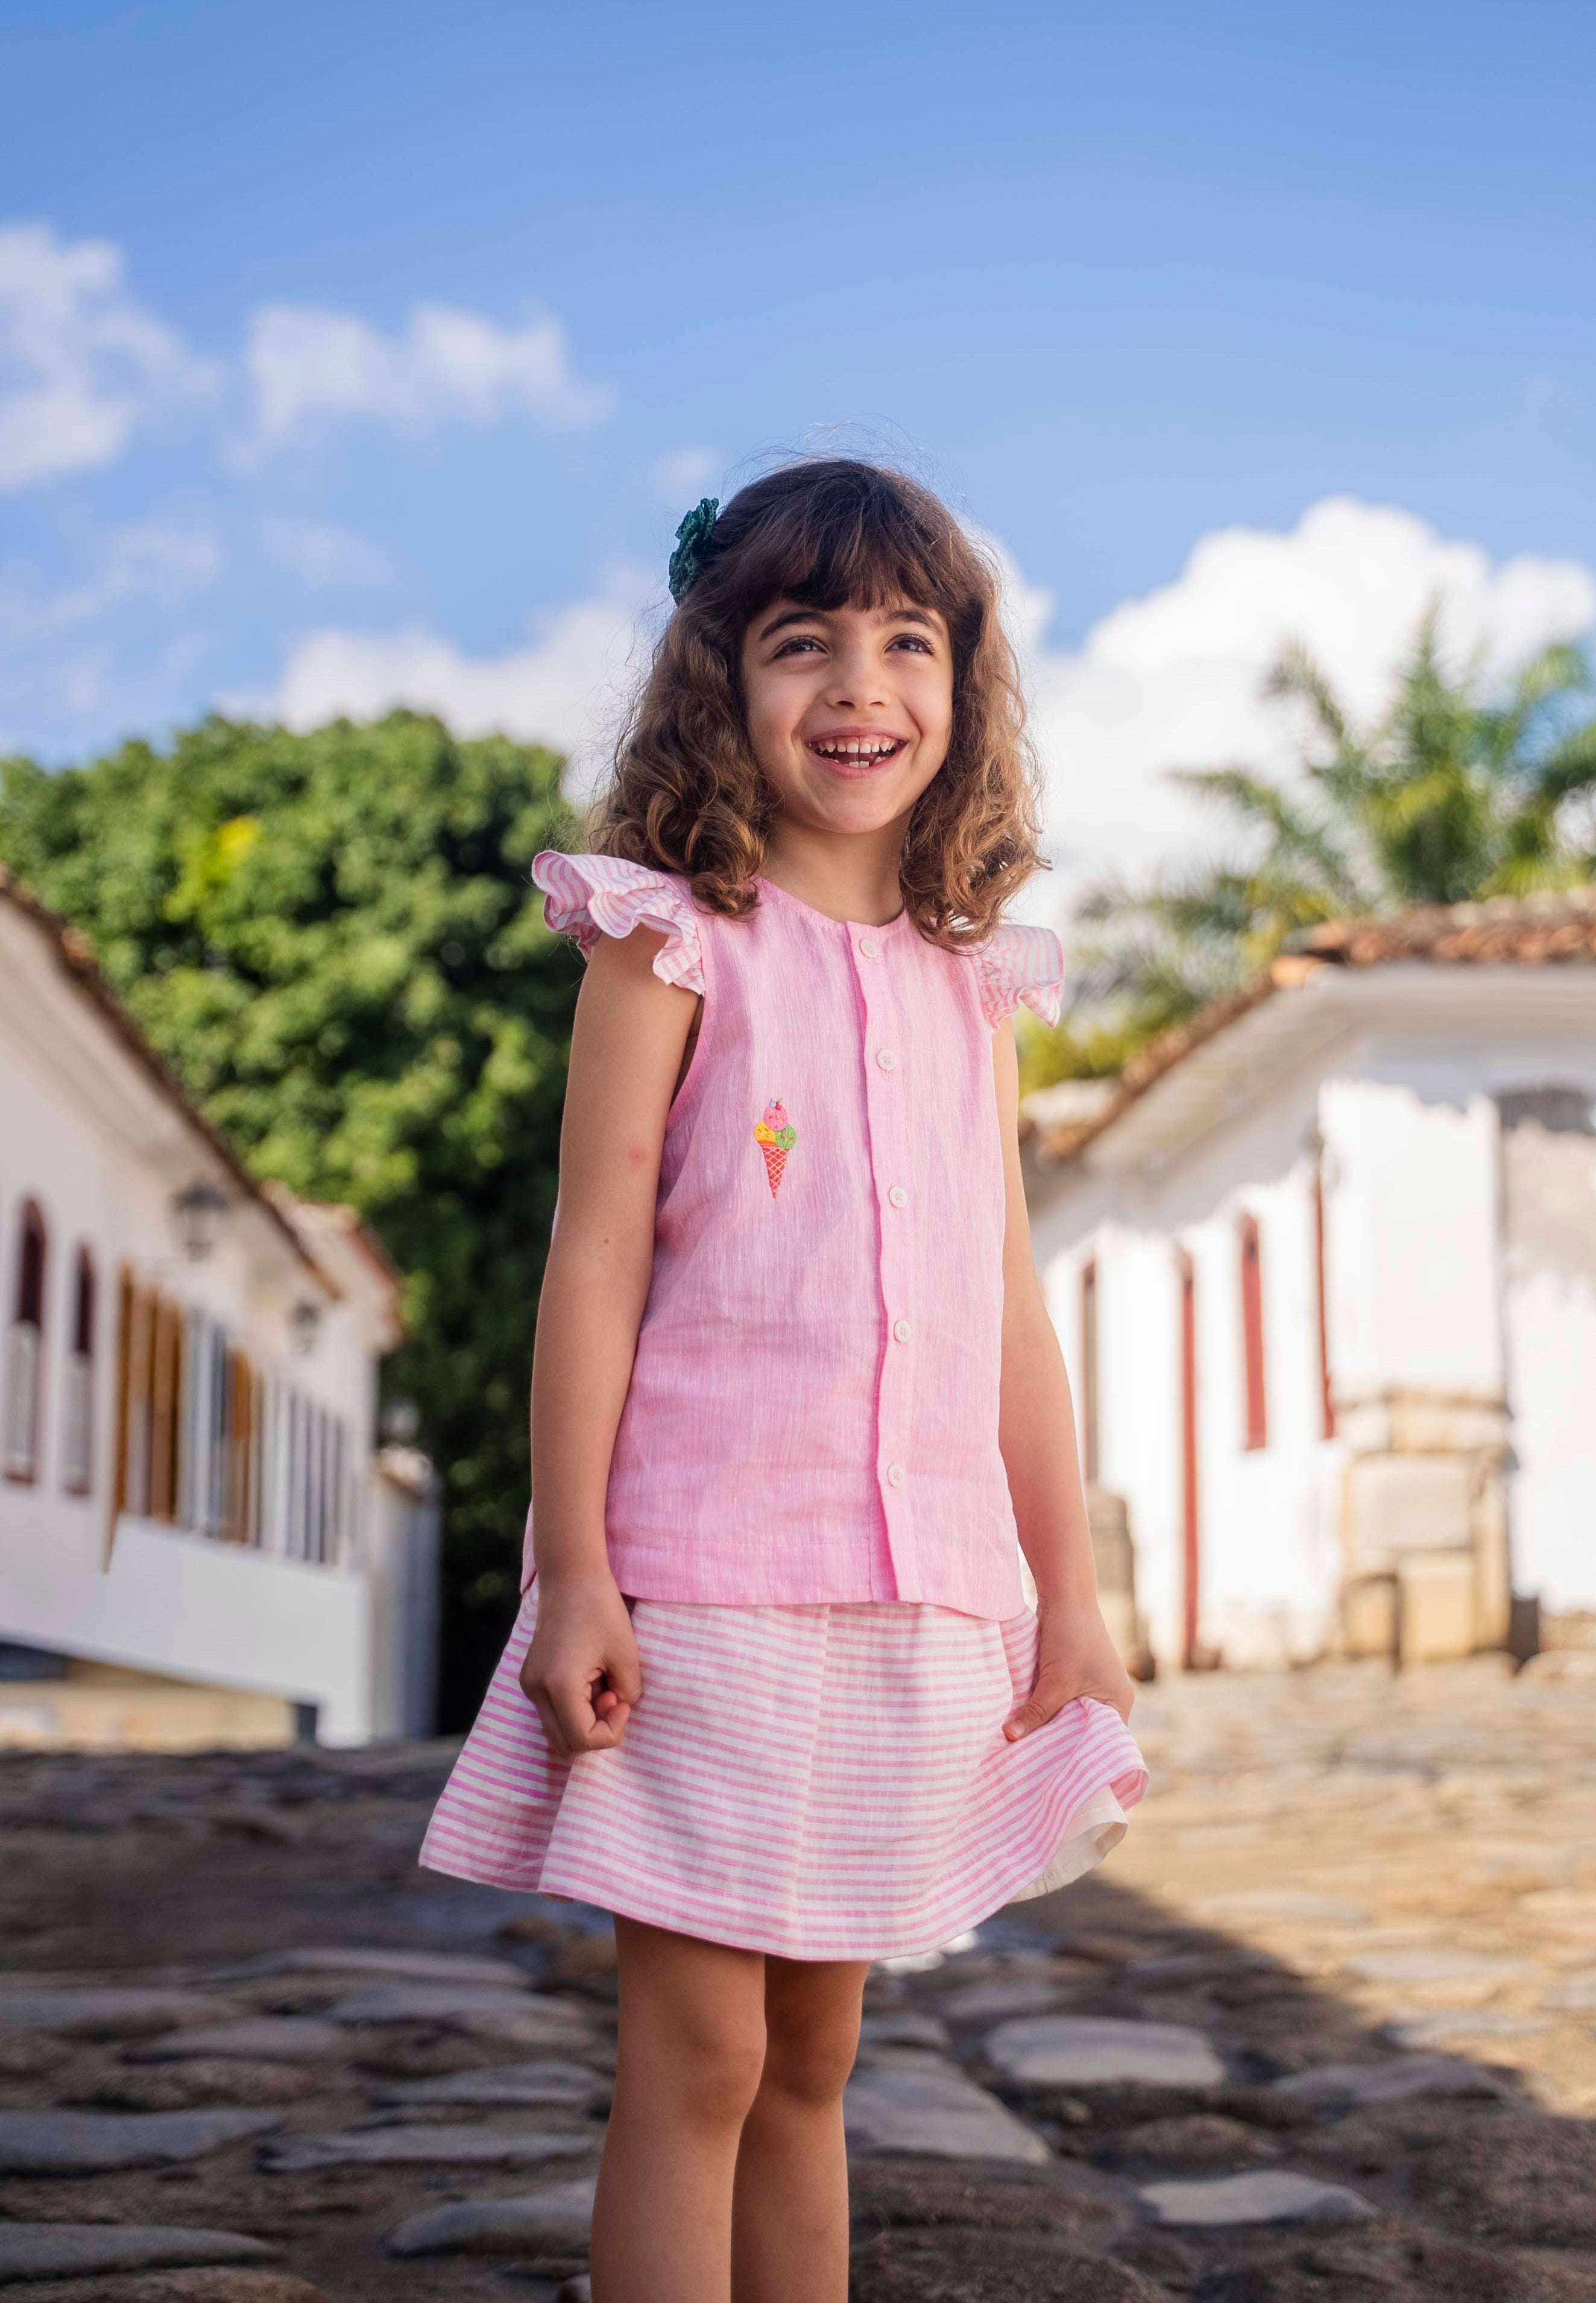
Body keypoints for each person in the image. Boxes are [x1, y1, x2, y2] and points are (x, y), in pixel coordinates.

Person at [420, 458, 1147, 2303]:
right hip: (706, 1580)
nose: (859, 686)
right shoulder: (667, 940)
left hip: (915, 1594)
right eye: (801, 641)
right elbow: (592, 1263)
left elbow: (1007, 1312)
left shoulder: (974, 987)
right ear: (718, 678)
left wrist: (1067, 1588)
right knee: (701, 2057)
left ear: (962, 694)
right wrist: (572, 1565)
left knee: (816, 2064)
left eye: (908, 643)